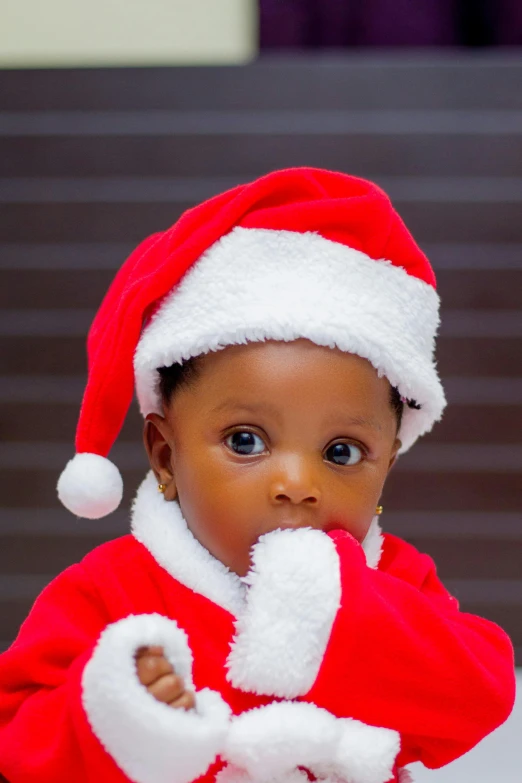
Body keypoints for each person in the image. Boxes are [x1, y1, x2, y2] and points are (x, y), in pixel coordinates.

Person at [0, 168, 515, 783]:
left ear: (388, 467)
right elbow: (17, 740)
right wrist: (119, 714)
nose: (297, 482)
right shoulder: (110, 591)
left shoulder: (392, 582)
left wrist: (338, 612)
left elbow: (479, 697)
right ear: (165, 455)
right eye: (247, 441)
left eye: (343, 452)